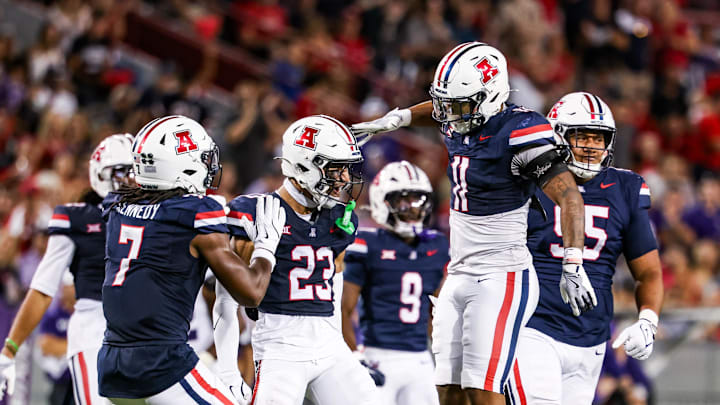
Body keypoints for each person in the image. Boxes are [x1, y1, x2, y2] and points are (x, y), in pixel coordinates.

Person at [350, 42, 593, 405]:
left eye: (459, 106)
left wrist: (573, 262)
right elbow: (437, 109)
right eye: (447, 104)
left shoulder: (520, 131)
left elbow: (570, 196)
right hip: (461, 271)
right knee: (447, 392)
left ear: (491, 97)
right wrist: (397, 118)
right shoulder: (460, 116)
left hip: (501, 275)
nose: (449, 115)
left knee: (483, 391)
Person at [97, 115, 285, 404]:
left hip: (112, 364)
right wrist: (266, 247)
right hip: (161, 362)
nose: (209, 165)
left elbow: (163, 225)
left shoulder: (117, 205)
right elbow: (251, 293)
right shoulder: (196, 213)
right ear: (180, 164)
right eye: (202, 157)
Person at [505, 92, 663, 405]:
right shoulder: (526, 182)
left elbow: (649, 272)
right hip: (532, 327)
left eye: (599, 138)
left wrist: (648, 321)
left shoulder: (626, 188)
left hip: (592, 339)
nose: (592, 146)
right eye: (582, 136)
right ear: (557, 136)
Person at [223, 115, 379, 405]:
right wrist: (227, 367)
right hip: (281, 346)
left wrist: (345, 345)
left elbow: (336, 284)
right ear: (304, 166)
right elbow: (228, 297)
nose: (344, 179)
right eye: (336, 169)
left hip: (330, 345)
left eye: (345, 169)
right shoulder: (255, 212)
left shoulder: (338, 218)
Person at [0, 133, 135, 403]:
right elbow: (42, 289)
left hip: (147, 329)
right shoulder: (77, 219)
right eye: (124, 171)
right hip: (95, 326)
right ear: (101, 173)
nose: (132, 179)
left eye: (137, 171)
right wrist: (9, 349)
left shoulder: (161, 214)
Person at [341, 160, 450, 405]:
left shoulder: (437, 245)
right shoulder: (368, 244)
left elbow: (438, 313)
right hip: (377, 355)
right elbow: (343, 310)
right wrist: (355, 356)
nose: (413, 208)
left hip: (420, 357)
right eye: (404, 200)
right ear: (383, 201)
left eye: (418, 200)